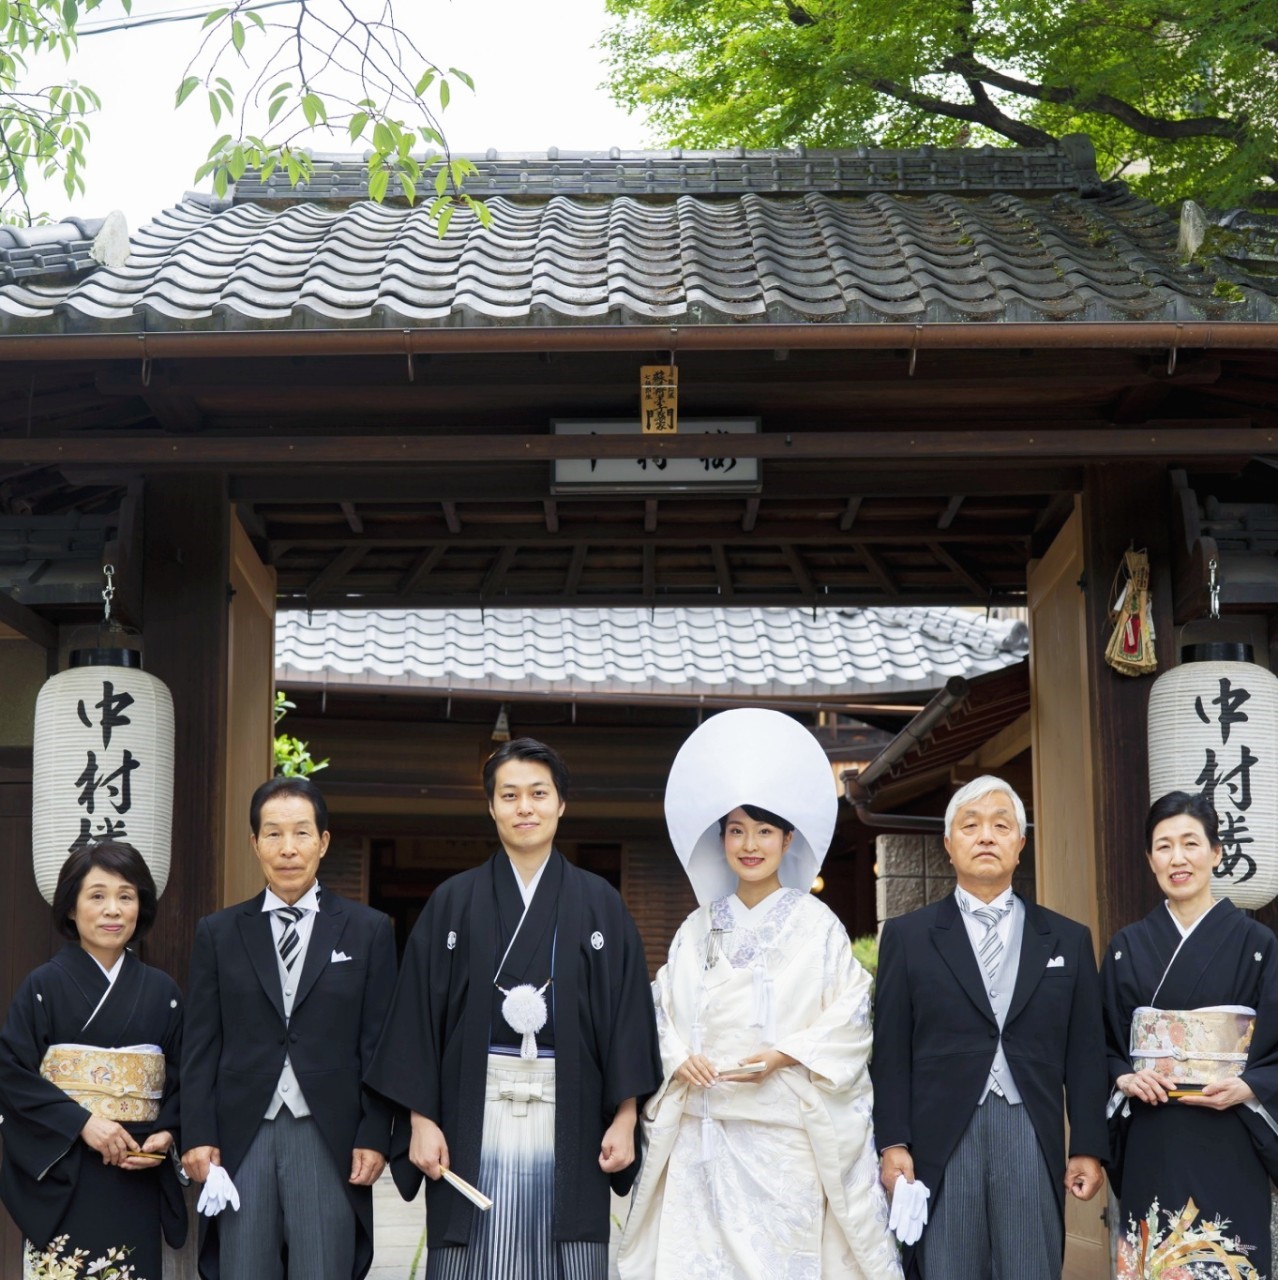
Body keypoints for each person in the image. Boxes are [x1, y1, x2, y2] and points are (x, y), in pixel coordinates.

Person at [619, 707, 903, 1280]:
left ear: (787, 839)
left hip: (784, 1141)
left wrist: (785, 1054)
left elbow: (851, 1014)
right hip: (702, 1132)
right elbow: (656, 1011)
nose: (750, 845)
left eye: (765, 831)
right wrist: (679, 1056)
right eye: (736, 831)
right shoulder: (696, 927)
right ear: (721, 838)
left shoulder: (817, 925)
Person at [365, 737, 661, 1280]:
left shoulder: (600, 904)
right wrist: (421, 1120)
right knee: (469, 1254)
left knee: (568, 1252)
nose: (525, 807)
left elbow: (628, 1020)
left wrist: (624, 1117)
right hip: (468, 1111)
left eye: (538, 794)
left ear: (561, 804)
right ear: (492, 806)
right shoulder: (453, 901)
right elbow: (415, 1023)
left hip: (569, 1108)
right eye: (510, 795)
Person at [871, 774, 1109, 1280]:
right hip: (941, 1136)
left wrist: (1087, 1144)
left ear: (1020, 845)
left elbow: (1086, 1054)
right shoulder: (908, 938)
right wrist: (893, 1144)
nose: (985, 837)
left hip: (1029, 1127)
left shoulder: (1066, 938)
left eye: (1001, 826)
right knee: (947, 1267)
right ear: (949, 844)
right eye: (971, 825)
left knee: (1031, 1264)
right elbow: (889, 1052)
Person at [180, 775, 397, 1280]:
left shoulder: (368, 931)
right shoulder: (219, 932)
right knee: (243, 1267)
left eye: (301, 833)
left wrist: (375, 1133)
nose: (288, 848)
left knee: (323, 1267)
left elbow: (380, 1042)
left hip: (328, 1133)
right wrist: (199, 1132)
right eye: (273, 834)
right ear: (254, 843)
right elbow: (200, 1044)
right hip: (241, 1133)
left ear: (323, 841)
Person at [1102, 790, 1278, 1280]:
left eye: (1190, 843)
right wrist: (1122, 1078)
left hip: (1231, 1137)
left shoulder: (1259, 946)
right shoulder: (1125, 948)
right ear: (1149, 859)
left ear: (1216, 852)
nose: (1177, 858)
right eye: (1163, 846)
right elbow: (1103, 1045)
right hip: (1152, 1141)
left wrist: (1253, 1085)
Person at [0, 841, 186, 1279]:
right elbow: (11, 1073)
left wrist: (167, 1134)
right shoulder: (42, 986)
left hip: (135, 1174)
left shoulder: (164, 994)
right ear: (71, 907)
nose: (113, 910)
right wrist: (82, 1123)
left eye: (126, 896)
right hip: (65, 1173)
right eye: (97, 895)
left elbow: (185, 1078)